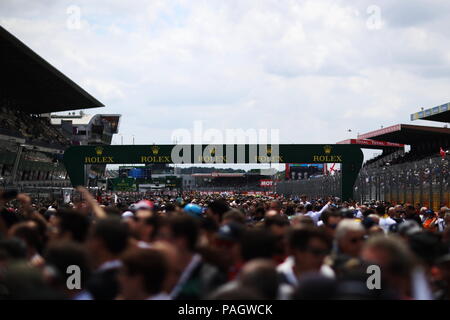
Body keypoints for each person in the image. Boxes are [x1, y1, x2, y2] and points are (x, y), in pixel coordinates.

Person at [86, 217, 130, 300]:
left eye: (90, 238)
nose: (87, 243)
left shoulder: (93, 285)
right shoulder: (134, 276)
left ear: (99, 242)